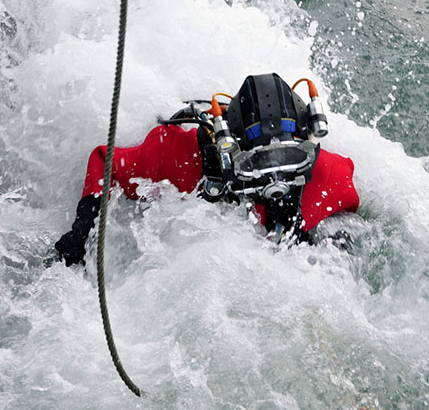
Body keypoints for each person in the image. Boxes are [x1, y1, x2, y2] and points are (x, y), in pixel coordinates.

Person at [55, 73, 360, 266]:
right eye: (256, 163)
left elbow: (350, 204)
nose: (274, 177)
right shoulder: (180, 157)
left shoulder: (323, 173)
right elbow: (103, 161)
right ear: (229, 150)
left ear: (308, 145)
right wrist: (83, 229)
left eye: (289, 158)